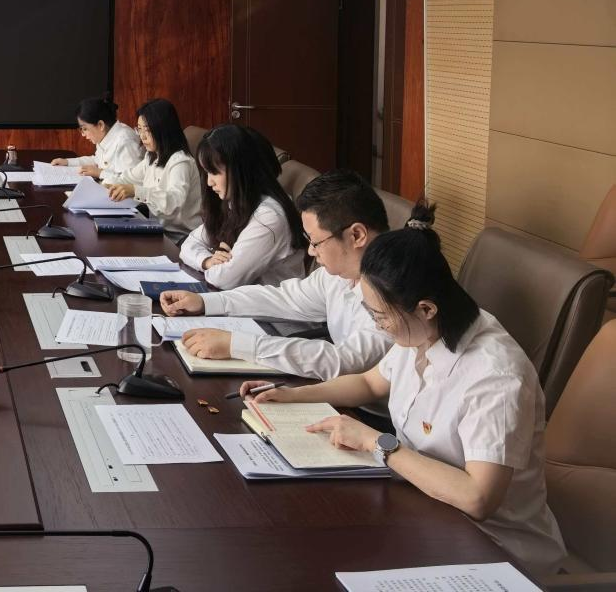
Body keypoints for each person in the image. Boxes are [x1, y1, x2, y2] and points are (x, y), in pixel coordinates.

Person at [241, 225, 565, 577]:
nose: (377, 326)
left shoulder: (495, 376)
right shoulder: (426, 329)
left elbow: (478, 498)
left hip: (494, 552)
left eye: (380, 316)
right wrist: (292, 395)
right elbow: (369, 382)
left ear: (425, 308)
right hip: (423, 511)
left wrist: (377, 443)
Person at [163, 170, 415, 378]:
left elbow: (345, 361)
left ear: (356, 235)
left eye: (316, 242)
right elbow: (284, 298)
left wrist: (236, 345)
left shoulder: (396, 287)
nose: (311, 251)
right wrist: (206, 302)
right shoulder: (338, 274)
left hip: (369, 413)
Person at [178, 124, 306, 289]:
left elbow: (225, 279)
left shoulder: (269, 217)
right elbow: (189, 244)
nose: (209, 182)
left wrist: (218, 265)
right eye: (207, 172)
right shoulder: (235, 202)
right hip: (239, 299)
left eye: (214, 172)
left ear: (241, 170)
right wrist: (207, 260)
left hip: (265, 305)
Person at [105, 98, 202, 232]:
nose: (142, 136)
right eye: (139, 129)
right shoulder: (152, 156)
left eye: (148, 130)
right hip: (155, 227)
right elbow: (127, 177)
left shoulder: (180, 161)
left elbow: (175, 201)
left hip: (178, 236)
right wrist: (106, 185)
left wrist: (136, 191)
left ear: (164, 130)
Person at [49, 95, 143, 182]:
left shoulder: (125, 141)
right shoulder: (106, 135)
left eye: (85, 129)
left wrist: (100, 173)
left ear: (100, 125)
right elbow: (97, 161)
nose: (83, 134)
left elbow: (132, 181)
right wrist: (67, 162)